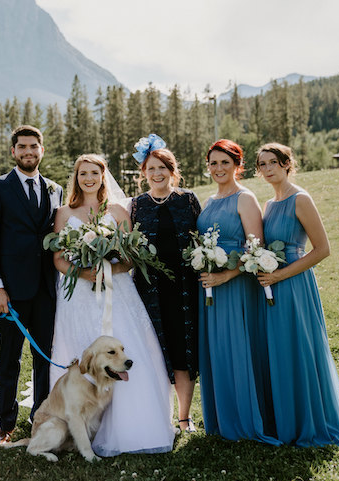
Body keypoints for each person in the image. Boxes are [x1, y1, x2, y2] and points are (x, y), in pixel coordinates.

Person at [49, 154, 175, 456]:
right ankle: (78, 427)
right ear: (76, 178)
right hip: (79, 296)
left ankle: (131, 427)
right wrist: (85, 272)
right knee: (82, 354)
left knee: (125, 349)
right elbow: (58, 259)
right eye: (83, 173)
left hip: (116, 292)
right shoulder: (64, 213)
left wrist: (107, 270)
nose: (89, 178)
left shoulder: (118, 210)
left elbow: (131, 257)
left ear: (103, 177)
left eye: (94, 172)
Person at [256, 143, 339, 447]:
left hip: (295, 284)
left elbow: (323, 250)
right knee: (280, 349)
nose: (267, 169)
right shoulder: (268, 204)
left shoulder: (300, 199)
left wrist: (279, 274)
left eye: (273, 163)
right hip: (272, 285)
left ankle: (311, 420)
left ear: (287, 164)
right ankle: (286, 418)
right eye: (262, 165)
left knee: (301, 348)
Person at [0, 125, 63, 443]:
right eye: (23, 147)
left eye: (34, 146)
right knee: (9, 358)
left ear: (42, 150)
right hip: (10, 291)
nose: (29, 152)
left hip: (46, 289)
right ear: (13, 151)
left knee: (43, 358)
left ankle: (39, 418)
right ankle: (6, 423)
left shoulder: (53, 189)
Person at [197, 139, 280, 445]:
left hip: (236, 286)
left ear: (237, 166)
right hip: (209, 286)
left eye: (224, 163)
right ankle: (222, 418)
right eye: (213, 163)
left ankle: (246, 419)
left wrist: (226, 276)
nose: (218, 169)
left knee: (237, 347)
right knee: (217, 348)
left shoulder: (245, 199)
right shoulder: (208, 201)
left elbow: (255, 250)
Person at [129, 136, 201, 433]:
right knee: (156, 352)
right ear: (143, 173)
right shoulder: (136, 205)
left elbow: (201, 239)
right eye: (151, 168)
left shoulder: (187, 200)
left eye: (162, 168)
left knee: (184, 352)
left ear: (173, 171)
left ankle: (184, 418)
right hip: (149, 290)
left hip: (185, 288)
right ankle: (161, 416)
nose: (157, 174)